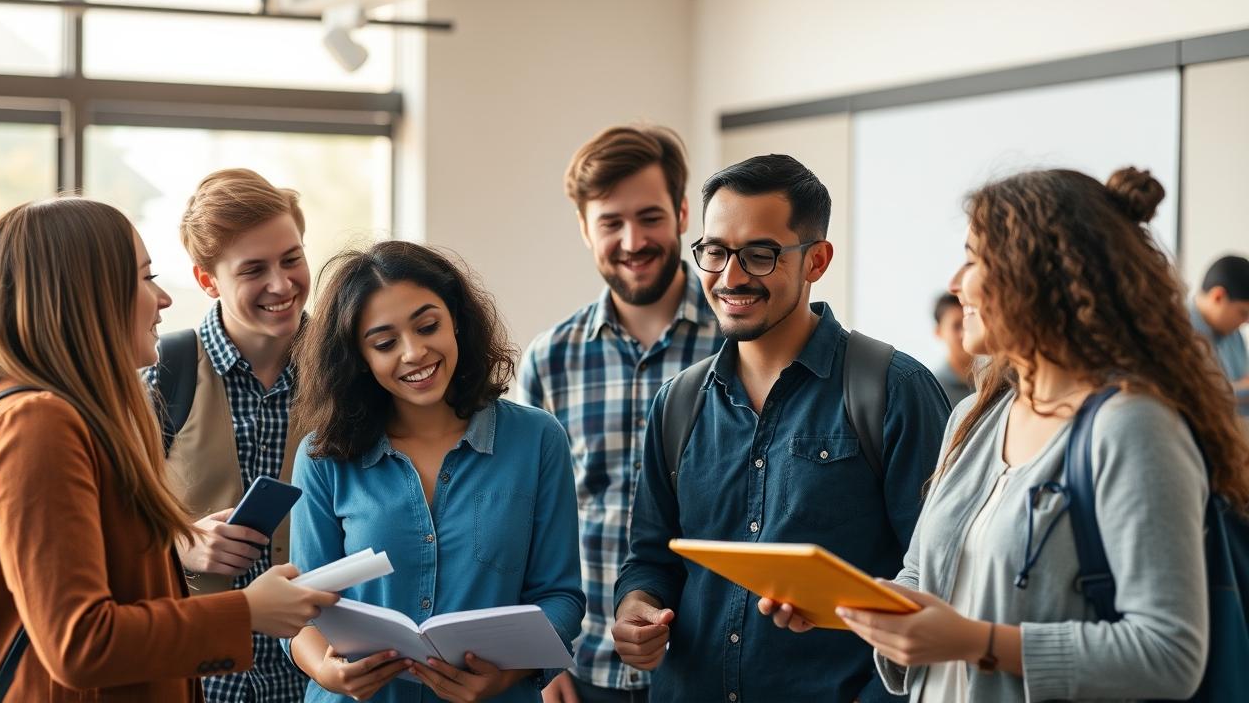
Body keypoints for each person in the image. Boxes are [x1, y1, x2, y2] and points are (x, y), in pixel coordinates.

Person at [821, 168, 1247, 701]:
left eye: (974, 259)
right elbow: (922, 573)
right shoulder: (974, 416)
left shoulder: (1134, 428)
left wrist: (978, 641)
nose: (956, 283)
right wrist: (853, 605)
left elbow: (1168, 654)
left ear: (1042, 276)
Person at [0, 197, 338, 701]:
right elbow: (80, 643)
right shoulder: (36, 424)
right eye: (145, 277)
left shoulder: (43, 418)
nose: (163, 300)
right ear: (86, 296)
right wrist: (248, 611)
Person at [612, 154, 950, 702]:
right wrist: (637, 612)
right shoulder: (675, 404)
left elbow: (938, 580)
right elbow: (651, 560)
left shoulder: (894, 389)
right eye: (715, 252)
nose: (731, 277)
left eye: (760, 255)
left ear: (816, 260)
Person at [285, 241, 585, 703]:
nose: (414, 353)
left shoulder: (537, 439)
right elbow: (303, 609)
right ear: (358, 358)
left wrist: (506, 676)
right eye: (384, 343)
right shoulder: (323, 457)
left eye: (428, 326)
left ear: (457, 322)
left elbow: (561, 598)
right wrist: (326, 671)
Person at [518, 124, 723, 703]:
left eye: (650, 216)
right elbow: (528, 518)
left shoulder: (739, 345)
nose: (633, 240)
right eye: (611, 222)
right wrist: (541, 656)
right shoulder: (550, 357)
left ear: (683, 214)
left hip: (707, 664)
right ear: (585, 229)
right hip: (582, 670)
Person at [143, 168, 313, 702]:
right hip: (200, 681)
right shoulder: (162, 377)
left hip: (322, 678)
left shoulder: (346, 373)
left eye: (291, 259)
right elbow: (107, 530)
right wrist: (180, 543)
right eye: (254, 269)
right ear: (207, 280)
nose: (282, 285)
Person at [1188, 253, 1249, 417]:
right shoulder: (1176, 333)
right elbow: (1196, 396)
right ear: (1218, 297)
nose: (1246, 322)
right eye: (1243, 313)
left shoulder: (1234, 335)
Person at [931, 292, 974, 406]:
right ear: (938, 332)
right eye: (956, 326)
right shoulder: (933, 388)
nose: (964, 333)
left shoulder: (997, 380)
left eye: (968, 323)